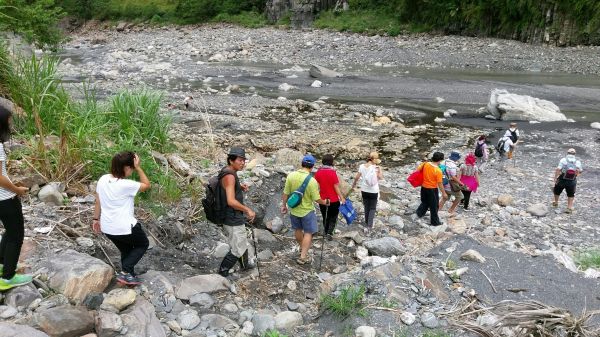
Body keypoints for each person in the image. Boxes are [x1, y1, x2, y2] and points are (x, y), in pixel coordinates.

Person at [93, 151, 151, 285]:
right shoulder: (126, 185)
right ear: (127, 167)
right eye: (132, 167)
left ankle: (128, 276)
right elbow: (147, 185)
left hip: (108, 228)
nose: (132, 170)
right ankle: (125, 272)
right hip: (125, 227)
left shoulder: (103, 179)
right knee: (143, 244)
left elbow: (98, 201)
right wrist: (139, 168)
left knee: (126, 249)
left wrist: (95, 219)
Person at [0, 105, 32, 290]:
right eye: (8, 121)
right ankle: (8, 278)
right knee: (16, 235)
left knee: (8, 231)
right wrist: (16, 190)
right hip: (4, 198)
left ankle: (2, 265)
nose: (11, 124)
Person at [282, 154, 330, 265]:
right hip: (307, 211)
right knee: (308, 232)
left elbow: (286, 193)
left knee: (297, 229)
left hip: (294, 209)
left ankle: (301, 247)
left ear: (302, 164)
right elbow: (317, 199)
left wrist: (284, 205)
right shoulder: (312, 181)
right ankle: (303, 256)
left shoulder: (291, 176)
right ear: (312, 166)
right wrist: (326, 202)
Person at [218, 147, 256, 277]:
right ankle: (222, 272)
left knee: (241, 241)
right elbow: (231, 201)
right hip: (232, 217)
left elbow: (225, 186)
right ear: (231, 160)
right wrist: (248, 210)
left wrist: (239, 187)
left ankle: (245, 265)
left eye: (243, 160)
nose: (242, 163)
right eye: (240, 160)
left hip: (231, 215)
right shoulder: (230, 176)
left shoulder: (227, 171)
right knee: (237, 248)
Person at [314, 154, 346, 241]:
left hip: (323, 199)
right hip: (334, 200)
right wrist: (342, 197)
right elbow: (336, 187)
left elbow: (316, 186)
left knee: (325, 216)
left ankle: (325, 230)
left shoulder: (318, 172)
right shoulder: (333, 173)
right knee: (333, 216)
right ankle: (330, 233)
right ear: (331, 162)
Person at [351, 152, 383, 235]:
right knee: (372, 208)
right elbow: (380, 178)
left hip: (364, 190)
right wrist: (380, 170)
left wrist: (353, 185)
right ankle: (369, 226)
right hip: (373, 191)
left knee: (366, 206)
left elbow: (357, 177)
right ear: (374, 160)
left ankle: (366, 222)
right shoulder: (376, 167)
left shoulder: (362, 166)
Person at [415, 152, 446, 226]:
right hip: (432, 189)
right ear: (440, 160)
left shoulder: (426, 164)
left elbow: (418, 170)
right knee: (434, 206)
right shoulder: (438, 171)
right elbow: (440, 183)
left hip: (423, 187)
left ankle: (419, 213)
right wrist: (444, 193)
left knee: (425, 202)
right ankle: (435, 222)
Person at [552, 148, 582, 214]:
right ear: (575, 154)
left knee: (557, 190)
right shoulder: (578, 161)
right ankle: (569, 208)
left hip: (562, 179)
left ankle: (555, 202)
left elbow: (558, 169)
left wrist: (555, 178)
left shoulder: (563, 160)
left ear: (567, 153)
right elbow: (580, 171)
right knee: (571, 194)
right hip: (572, 180)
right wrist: (576, 175)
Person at [438, 151, 465, 216]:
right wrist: (461, 183)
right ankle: (451, 210)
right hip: (450, 185)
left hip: (443, 183)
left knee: (445, 197)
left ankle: (438, 209)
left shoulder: (443, 162)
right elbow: (453, 177)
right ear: (455, 158)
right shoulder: (452, 166)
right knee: (460, 196)